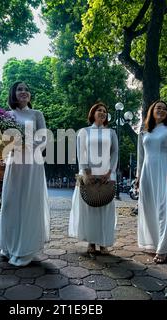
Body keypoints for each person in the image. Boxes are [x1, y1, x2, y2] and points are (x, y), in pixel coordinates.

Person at [0, 81, 50, 267]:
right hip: (14, 163)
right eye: (20, 89)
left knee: (28, 203)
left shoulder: (37, 114)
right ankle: (7, 245)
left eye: (27, 89)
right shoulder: (7, 115)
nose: (24, 92)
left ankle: (24, 250)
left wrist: (26, 144)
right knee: (11, 203)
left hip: (32, 163)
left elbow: (43, 139)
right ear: (13, 93)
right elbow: (1, 141)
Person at [135, 100, 167, 264]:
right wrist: (137, 176)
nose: (161, 110)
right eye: (158, 108)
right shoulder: (144, 131)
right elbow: (141, 156)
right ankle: (153, 243)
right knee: (148, 208)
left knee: (164, 209)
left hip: (165, 172)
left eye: (164, 108)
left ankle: (163, 249)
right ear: (151, 111)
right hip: (147, 173)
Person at [69, 102, 118, 255]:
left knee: (104, 207)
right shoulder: (84, 132)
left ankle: (103, 242)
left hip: (105, 175)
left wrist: (110, 172)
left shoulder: (111, 133)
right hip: (88, 174)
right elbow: (80, 152)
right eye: (99, 110)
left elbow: (115, 153)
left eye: (104, 111)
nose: (102, 113)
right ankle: (91, 242)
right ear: (93, 113)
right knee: (89, 208)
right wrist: (86, 172)